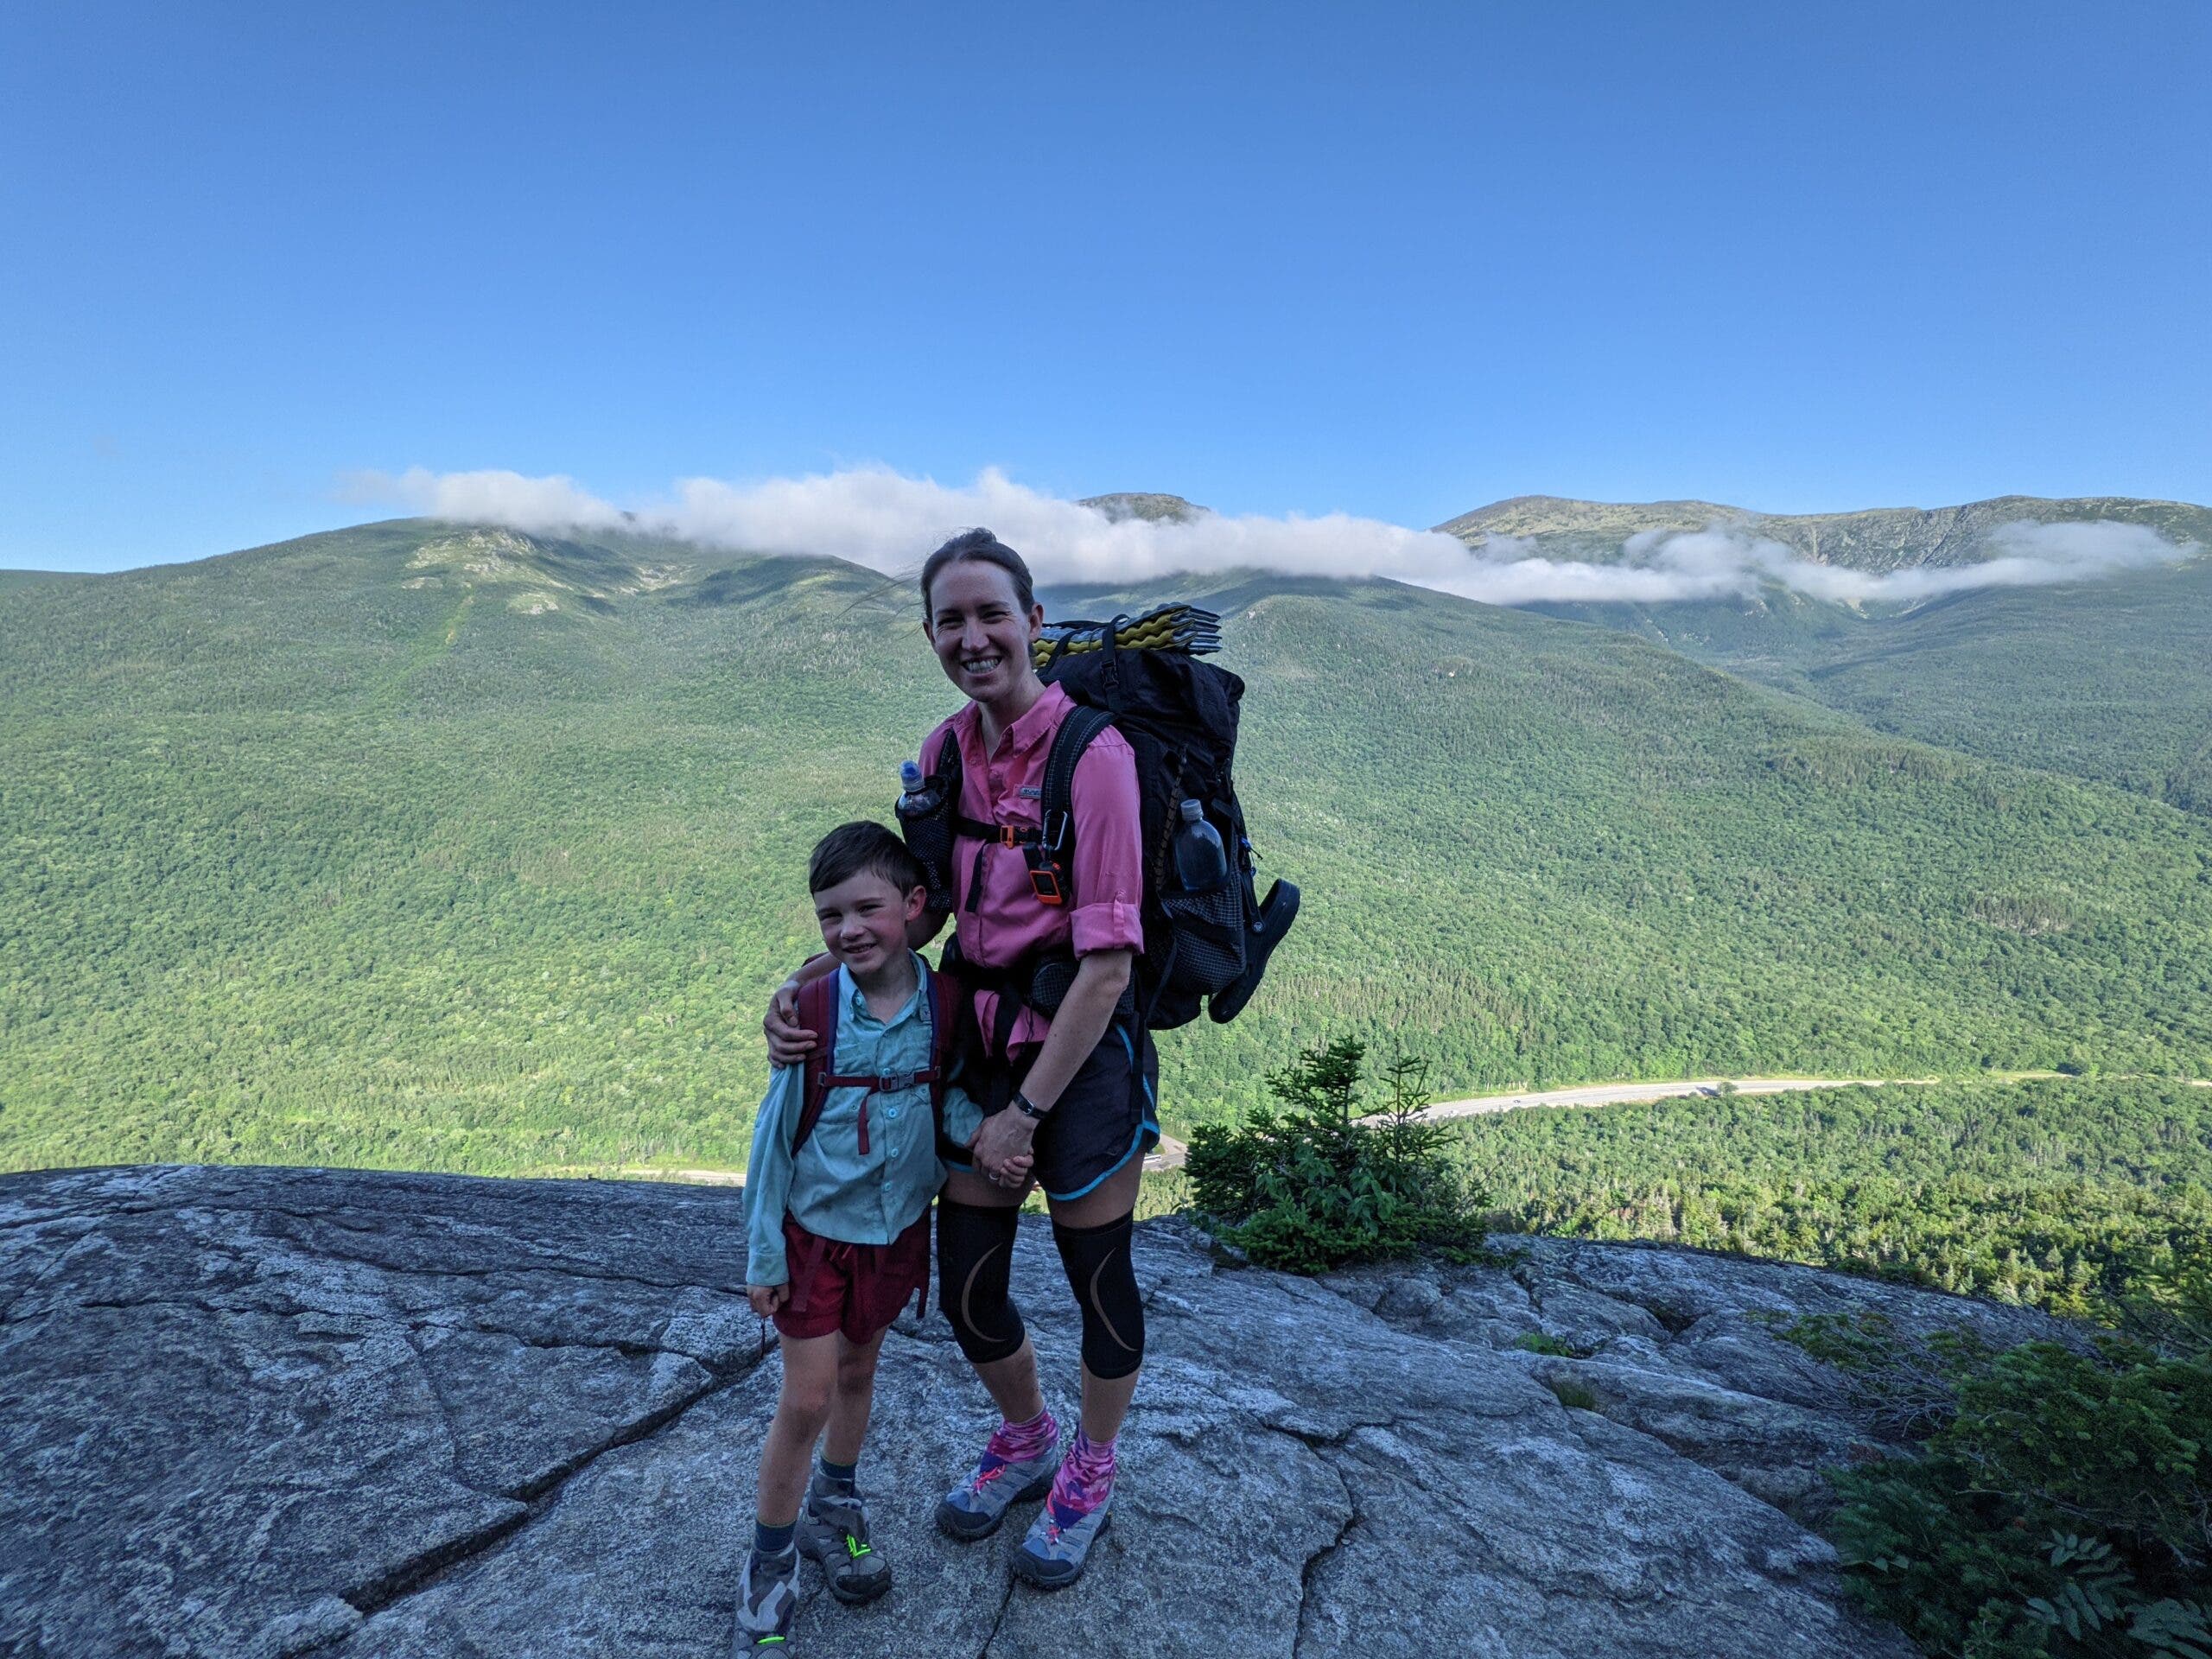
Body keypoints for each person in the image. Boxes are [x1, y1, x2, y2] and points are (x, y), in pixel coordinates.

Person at [765, 528, 1158, 1591]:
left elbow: (1108, 966)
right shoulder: (944, 754)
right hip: (974, 1045)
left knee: (1097, 1280)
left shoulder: (1094, 759)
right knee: (970, 1287)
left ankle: (1091, 1467)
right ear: (930, 634)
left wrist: (1023, 1115)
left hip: (1078, 1055)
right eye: (951, 620)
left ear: (1034, 621)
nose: (972, 637)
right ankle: (1027, 1438)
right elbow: (915, 916)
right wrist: (802, 986)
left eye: (992, 614)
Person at [732, 821, 1015, 1656]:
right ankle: (770, 1559)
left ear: (914, 905)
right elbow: (773, 1140)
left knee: (859, 1372)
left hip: (895, 1235)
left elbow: (940, 1097)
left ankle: (836, 1505)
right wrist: (764, 1256)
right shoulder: (816, 1012)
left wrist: (984, 1135)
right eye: (830, 915)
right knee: (807, 1397)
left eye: (867, 909)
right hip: (815, 1237)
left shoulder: (943, 1006)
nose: (848, 929)